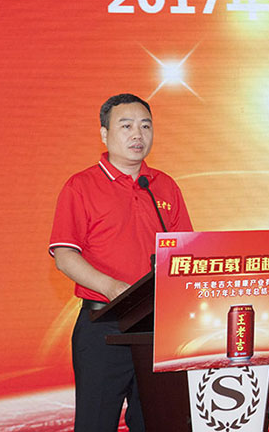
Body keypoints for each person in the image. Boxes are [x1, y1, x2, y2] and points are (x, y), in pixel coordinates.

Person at [49, 93, 193, 431]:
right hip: (104, 325)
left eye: (145, 126)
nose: (137, 134)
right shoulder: (81, 186)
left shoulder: (164, 186)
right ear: (104, 134)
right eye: (126, 126)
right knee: (96, 424)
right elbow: (65, 256)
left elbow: (186, 254)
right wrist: (114, 288)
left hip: (158, 327)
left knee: (159, 423)